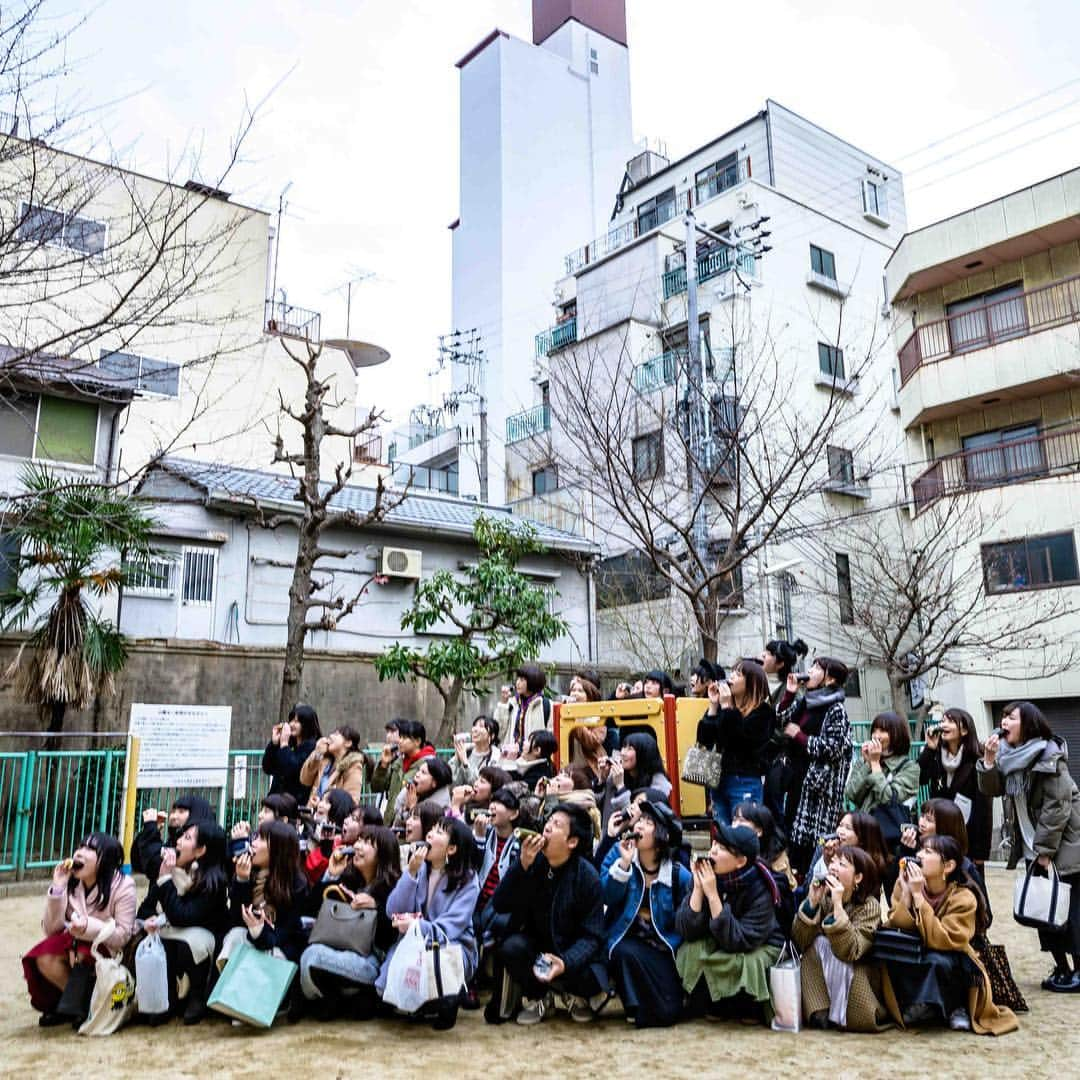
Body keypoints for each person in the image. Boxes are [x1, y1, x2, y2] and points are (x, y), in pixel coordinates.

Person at [978, 700, 1080, 993]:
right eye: (1003, 717)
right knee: (1041, 909)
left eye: (1011, 717)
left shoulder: (1049, 753)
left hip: (1062, 846)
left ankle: (1078, 970)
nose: (1004, 721)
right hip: (1030, 845)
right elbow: (992, 789)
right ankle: (1061, 968)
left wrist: (1046, 851)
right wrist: (987, 761)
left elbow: (1057, 806)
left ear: (1029, 723)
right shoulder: (1009, 756)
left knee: (1068, 911)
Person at [485, 803, 608, 1025]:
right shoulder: (531, 861)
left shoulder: (587, 876)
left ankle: (575, 996)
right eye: (548, 822)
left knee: (593, 974)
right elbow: (500, 904)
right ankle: (540, 996)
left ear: (572, 842)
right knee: (511, 947)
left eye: (557, 825)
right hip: (537, 948)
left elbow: (593, 936)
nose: (547, 827)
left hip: (571, 950)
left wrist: (565, 961)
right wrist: (521, 866)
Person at [883, 835, 1017, 1034]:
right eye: (920, 850)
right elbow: (898, 926)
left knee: (938, 961)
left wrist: (919, 897)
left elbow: (944, 939)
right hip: (918, 949)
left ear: (948, 866)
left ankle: (955, 1006)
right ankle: (919, 1004)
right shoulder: (906, 884)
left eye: (927, 852)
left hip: (952, 956)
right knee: (891, 954)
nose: (918, 855)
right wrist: (906, 896)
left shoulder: (964, 897)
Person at [376, 816, 480, 1030]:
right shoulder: (420, 869)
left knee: (439, 971)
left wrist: (416, 926)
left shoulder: (468, 881)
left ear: (451, 849)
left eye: (439, 832)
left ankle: (449, 998)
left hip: (451, 947)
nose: (430, 834)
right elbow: (392, 910)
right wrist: (411, 873)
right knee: (387, 989)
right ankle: (428, 1002)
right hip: (415, 943)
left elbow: (451, 928)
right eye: (431, 829)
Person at [23, 833, 136, 1027]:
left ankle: (85, 1005)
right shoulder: (70, 882)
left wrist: (88, 927)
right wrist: (58, 889)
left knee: (80, 954)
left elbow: (123, 936)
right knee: (44, 956)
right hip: (74, 939)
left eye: (90, 849)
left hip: (106, 947)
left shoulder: (124, 886)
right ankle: (74, 1004)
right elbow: (52, 930)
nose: (79, 853)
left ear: (106, 859)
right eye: (80, 847)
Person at [675, 823, 784, 1022]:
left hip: (759, 945)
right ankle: (711, 1003)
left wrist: (713, 896)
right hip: (721, 939)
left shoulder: (761, 887)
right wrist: (698, 890)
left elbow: (739, 941)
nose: (713, 851)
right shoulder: (708, 876)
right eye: (714, 844)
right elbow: (685, 930)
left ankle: (749, 1008)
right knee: (692, 948)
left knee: (747, 962)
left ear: (741, 861)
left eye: (723, 848)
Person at [601, 799, 692, 1028]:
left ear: (663, 836)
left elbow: (688, 921)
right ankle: (633, 1006)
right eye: (639, 821)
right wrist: (623, 866)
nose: (638, 826)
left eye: (648, 822)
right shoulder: (620, 854)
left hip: (663, 947)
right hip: (626, 941)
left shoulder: (678, 875)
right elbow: (606, 897)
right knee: (624, 952)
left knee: (669, 1013)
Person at [299, 825, 402, 1018]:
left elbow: (392, 937)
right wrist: (331, 875)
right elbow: (311, 909)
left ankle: (349, 998)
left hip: (372, 961)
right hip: (339, 948)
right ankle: (339, 999)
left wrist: (375, 908)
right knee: (309, 953)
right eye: (359, 840)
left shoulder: (394, 888)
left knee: (313, 956)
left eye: (367, 843)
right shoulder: (349, 880)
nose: (358, 846)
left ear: (383, 854)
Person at [791, 845, 893, 1031]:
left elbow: (853, 950)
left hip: (854, 973)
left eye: (842, 864)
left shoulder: (870, 906)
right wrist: (812, 903)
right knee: (816, 943)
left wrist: (838, 907)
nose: (833, 867)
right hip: (824, 970)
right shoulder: (824, 897)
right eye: (833, 862)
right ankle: (820, 1010)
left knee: (826, 943)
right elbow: (800, 940)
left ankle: (842, 1014)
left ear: (858, 878)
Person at [141, 820, 230, 1024]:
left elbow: (184, 915)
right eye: (181, 836)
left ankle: (197, 995)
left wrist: (165, 881)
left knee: (188, 942)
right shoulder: (171, 869)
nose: (178, 841)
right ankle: (166, 998)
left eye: (187, 838)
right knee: (154, 939)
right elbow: (147, 906)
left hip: (204, 941)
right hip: (174, 930)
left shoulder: (212, 881)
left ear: (200, 851)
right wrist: (150, 919)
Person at [777, 656, 853, 876]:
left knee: (813, 845)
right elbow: (781, 720)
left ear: (829, 679)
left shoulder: (835, 709)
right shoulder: (806, 700)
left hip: (819, 789)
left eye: (816, 668)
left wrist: (800, 736)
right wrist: (790, 692)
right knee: (794, 838)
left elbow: (833, 748)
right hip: (798, 781)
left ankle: (811, 887)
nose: (809, 671)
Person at [222, 820, 310, 974]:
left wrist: (258, 929)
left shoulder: (296, 885)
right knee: (234, 935)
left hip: (278, 952)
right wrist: (242, 880)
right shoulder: (249, 873)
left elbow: (279, 938)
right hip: (250, 941)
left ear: (278, 849)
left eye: (261, 839)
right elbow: (236, 920)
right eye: (254, 837)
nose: (253, 843)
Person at [696, 660, 775, 824]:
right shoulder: (725, 706)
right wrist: (713, 706)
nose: (731, 677)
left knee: (743, 834)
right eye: (731, 672)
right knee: (723, 835)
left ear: (752, 683)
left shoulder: (763, 713)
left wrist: (726, 708)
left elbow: (740, 744)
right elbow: (704, 740)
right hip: (719, 780)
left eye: (738, 674)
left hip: (745, 781)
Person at [920, 707, 993, 867]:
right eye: (943, 720)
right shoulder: (936, 754)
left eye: (950, 721)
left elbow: (984, 808)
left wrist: (981, 852)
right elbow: (921, 779)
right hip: (940, 834)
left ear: (965, 730)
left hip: (968, 836)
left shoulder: (977, 759)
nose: (944, 724)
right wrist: (929, 749)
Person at [732, 801, 797, 930]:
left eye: (741, 821)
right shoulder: (733, 848)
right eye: (734, 820)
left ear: (759, 831)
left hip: (770, 923)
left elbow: (779, 904)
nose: (735, 826)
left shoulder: (777, 860)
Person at [844, 710, 920, 819]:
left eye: (883, 731)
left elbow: (889, 801)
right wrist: (868, 764)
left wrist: (875, 764)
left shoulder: (910, 767)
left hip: (892, 831)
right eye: (874, 731)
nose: (876, 736)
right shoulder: (865, 760)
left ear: (896, 734)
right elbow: (851, 794)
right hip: (865, 826)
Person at [132, 794, 215, 882]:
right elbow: (140, 864)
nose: (173, 816)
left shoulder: (197, 846)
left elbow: (154, 865)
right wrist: (151, 829)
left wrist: (150, 828)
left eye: (181, 811)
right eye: (173, 811)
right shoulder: (175, 841)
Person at [371, 719, 436, 827]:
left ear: (417, 741)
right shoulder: (398, 762)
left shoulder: (428, 766)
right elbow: (377, 787)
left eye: (405, 738)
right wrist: (383, 765)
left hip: (411, 825)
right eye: (400, 737)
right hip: (391, 825)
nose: (399, 741)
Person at [602, 732, 671, 832]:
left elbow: (638, 819)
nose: (622, 753)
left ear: (643, 753)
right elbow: (604, 812)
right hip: (613, 838)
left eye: (629, 748)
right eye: (623, 747)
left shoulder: (659, 786)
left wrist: (621, 787)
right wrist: (603, 779)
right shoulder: (619, 775)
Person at [262, 703, 322, 804]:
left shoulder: (313, 747)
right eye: (291, 720)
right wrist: (274, 743)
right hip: (275, 801)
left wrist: (284, 744)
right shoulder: (288, 744)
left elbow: (292, 771)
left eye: (297, 721)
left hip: (293, 805)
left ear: (307, 724)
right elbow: (268, 768)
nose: (291, 724)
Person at [300, 725, 368, 806]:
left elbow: (351, 802)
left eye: (336, 734)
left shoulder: (353, 766)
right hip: (312, 815)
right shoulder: (324, 760)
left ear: (348, 743)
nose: (330, 736)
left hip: (332, 817)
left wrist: (324, 803)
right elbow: (305, 780)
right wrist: (317, 753)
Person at [395, 756, 454, 831]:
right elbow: (397, 823)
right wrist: (405, 808)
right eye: (419, 770)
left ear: (434, 783)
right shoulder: (409, 791)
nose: (417, 774)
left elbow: (422, 832)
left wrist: (412, 808)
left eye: (423, 772)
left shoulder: (440, 806)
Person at [507, 663, 552, 748]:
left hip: (534, 758)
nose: (517, 683)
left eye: (522, 680)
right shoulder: (514, 703)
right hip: (512, 756)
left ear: (532, 681)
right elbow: (502, 731)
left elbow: (551, 736)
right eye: (518, 679)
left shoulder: (545, 705)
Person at [451, 715, 502, 785]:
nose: (475, 729)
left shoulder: (495, 758)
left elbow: (481, 785)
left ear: (492, 735)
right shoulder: (466, 751)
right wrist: (457, 758)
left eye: (481, 726)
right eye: (474, 725)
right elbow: (450, 780)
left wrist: (465, 763)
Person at [761, 637, 808, 706]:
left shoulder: (790, 692)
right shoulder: (756, 680)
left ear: (780, 664)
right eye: (765, 651)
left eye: (769, 653)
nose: (763, 655)